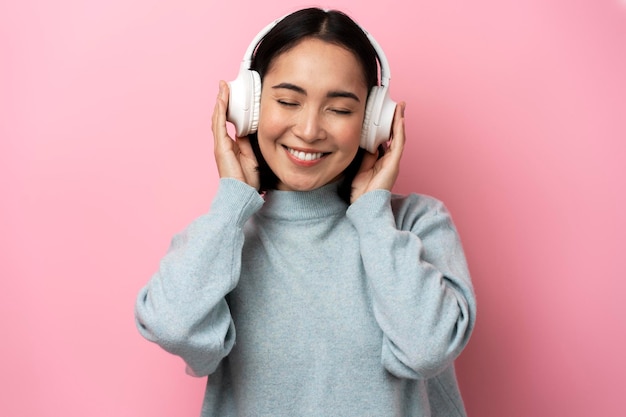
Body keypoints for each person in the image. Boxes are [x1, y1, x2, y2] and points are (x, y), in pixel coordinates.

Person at [135, 7, 476, 417]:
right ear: (251, 107)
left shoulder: (416, 224)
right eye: (288, 101)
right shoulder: (223, 237)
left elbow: (426, 349)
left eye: (340, 109)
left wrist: (372, 216)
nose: (310, 130)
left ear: (374, 122)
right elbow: (172, 325)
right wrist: (231, 201)